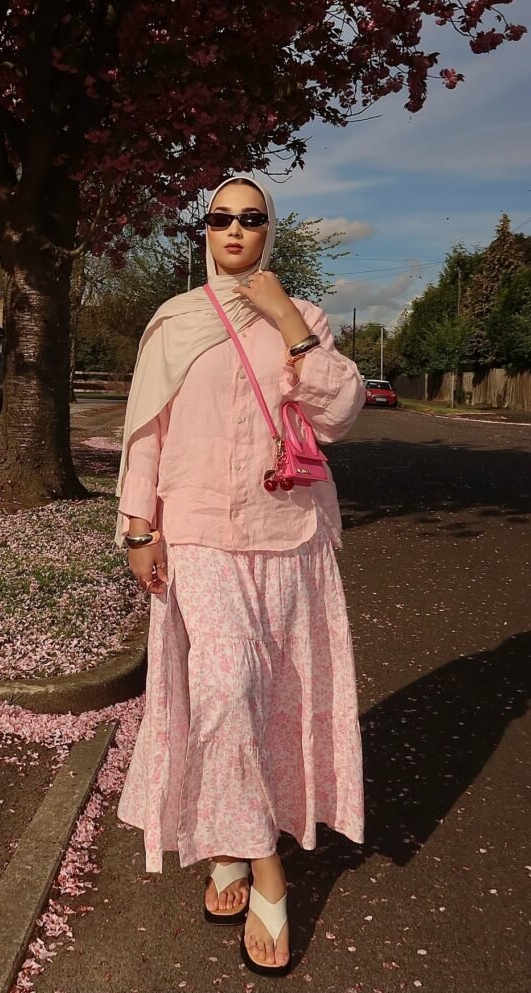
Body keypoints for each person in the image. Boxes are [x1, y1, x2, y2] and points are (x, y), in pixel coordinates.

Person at [114, 174, 365, 978]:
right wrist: (135, 525)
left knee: (265, 697)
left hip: (286, 533)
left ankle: (223, 840)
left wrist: (288, 320)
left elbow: (339, 414)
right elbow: (144, 430)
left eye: (250, 218)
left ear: (269, 231)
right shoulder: (174, 321)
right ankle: (263, 867)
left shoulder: (308, 321)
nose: (233, 230)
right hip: (195, 534)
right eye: (219, 218)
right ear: (203, 231)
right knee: (224, 688)